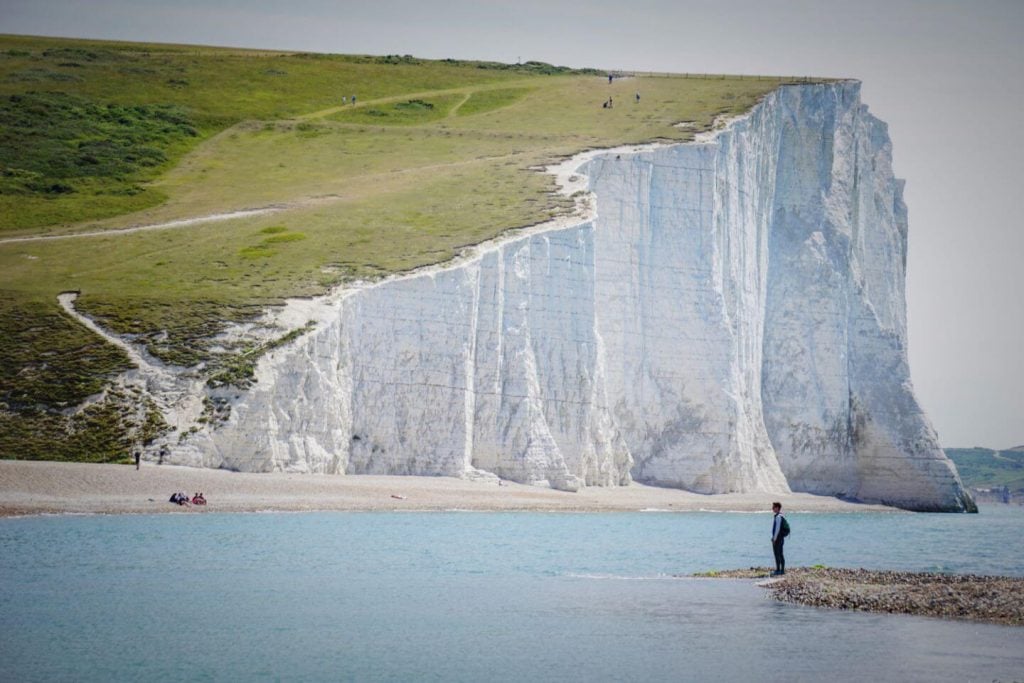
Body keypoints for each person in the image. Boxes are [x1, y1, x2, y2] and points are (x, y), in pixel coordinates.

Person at [771, 501, 788, 575]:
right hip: (781, 538)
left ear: (777, 508)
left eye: (773, 507)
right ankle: (782, 570)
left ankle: (779, 570)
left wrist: (774, 539)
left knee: (777, 554)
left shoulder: (778, 517)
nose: (772, 509)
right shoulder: (781, 515)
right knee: (780, 553)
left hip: (778, 538)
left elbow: (777, 529)